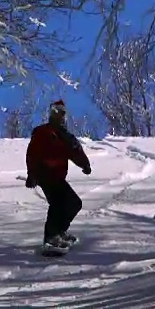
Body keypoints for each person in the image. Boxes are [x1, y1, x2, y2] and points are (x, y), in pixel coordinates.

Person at [25, 100, 92, 253]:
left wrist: (85, 165)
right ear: (51, 113)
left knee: (75, 203)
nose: (59, 115)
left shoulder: (65, 136)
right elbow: (32, 154)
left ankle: (59, 232)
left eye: (62, 112)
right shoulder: (43, 132)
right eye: (55, 111)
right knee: (57, 204)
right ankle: (50, 238)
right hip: (45, 175)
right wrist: (32, 174)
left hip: (58, 177)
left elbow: (76, 151)